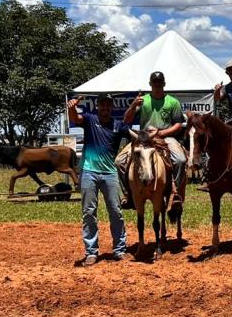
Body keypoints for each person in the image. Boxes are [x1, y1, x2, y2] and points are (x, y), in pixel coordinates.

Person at [68, 94, 130, 267]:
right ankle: (91, 252)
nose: (105, 108)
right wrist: (72, 108)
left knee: (116, 211)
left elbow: (135, 135)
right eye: (102, 104)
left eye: (108, 105)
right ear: (97, 107)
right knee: (89, 212)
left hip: (110, 173)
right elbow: (75, 118)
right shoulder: (89, 120)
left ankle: (119, 250)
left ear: (112, 107)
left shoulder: (118, 125)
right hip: (89, 172)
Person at [118, 71, 187, 208]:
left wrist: (161, 133)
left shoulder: (173, 102)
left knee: (180, 160)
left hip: (166, 137)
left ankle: (175, 194)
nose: (157, 84)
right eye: (154, 82)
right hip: (144, 137)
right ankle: (128, 195)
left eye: (159, 82)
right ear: (150, 83)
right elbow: (126, 120)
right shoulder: (143, 100)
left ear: (164, 83)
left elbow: (178, 124)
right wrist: (133, 105)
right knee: (119, 161)